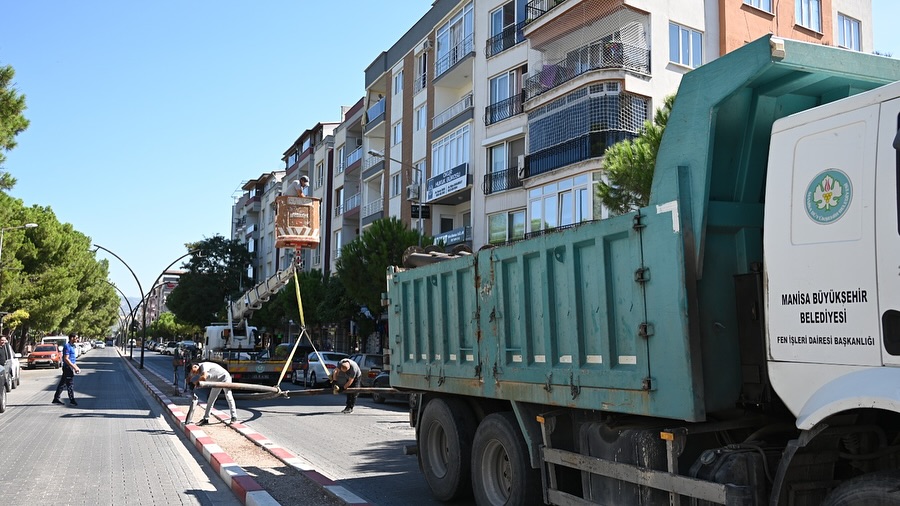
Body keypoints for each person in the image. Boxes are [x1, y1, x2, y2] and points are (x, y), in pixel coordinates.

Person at [52, 333, 81, 406]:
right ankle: (72, 400)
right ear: (72, 338)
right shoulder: (67, 346)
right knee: (70, 384)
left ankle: (56, 398)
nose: (77, 339)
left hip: (69, 367)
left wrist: (75, 366)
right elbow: (66, 359)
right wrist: (74, 367)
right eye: (76, 338)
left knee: (63, 384)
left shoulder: (72, 346)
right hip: (67, 368)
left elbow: (72, 359)